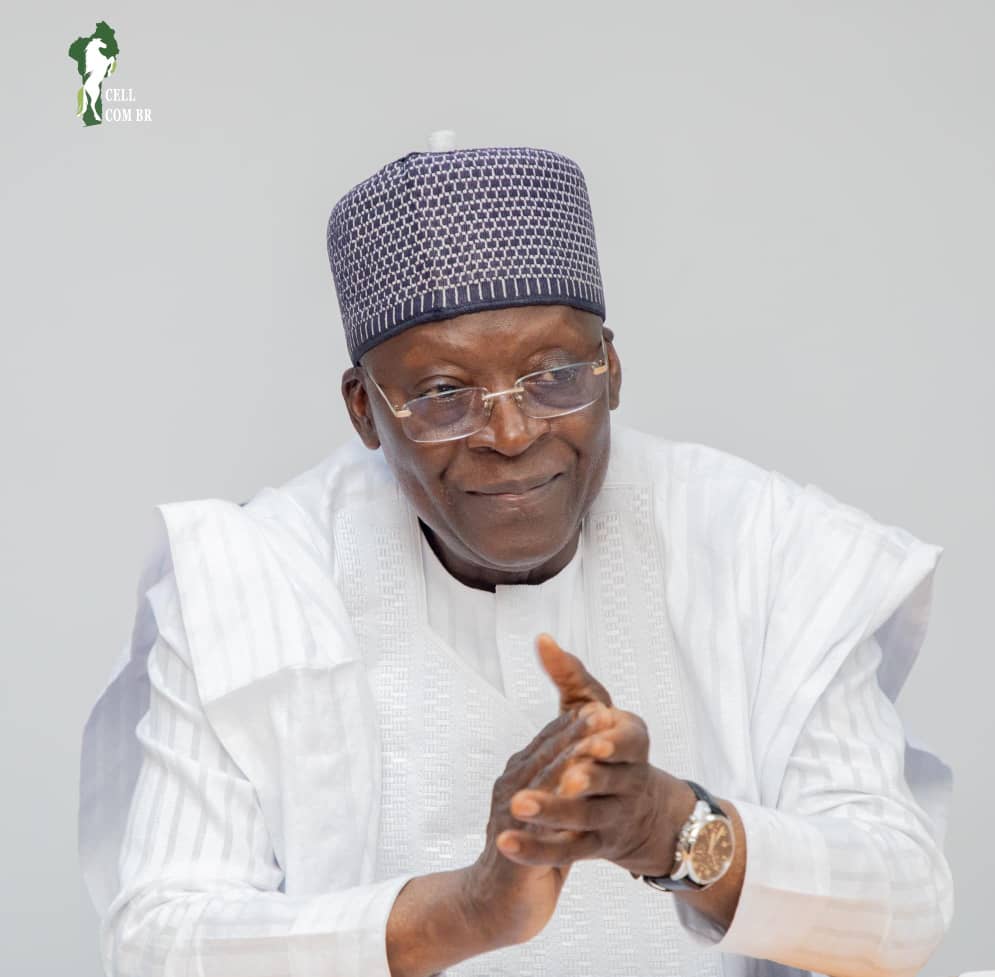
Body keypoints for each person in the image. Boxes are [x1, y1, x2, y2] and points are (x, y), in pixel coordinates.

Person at [79, 139, 953, 977]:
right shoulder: (246, 576)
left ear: (611, 368)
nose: (510, 432)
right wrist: (465, 911)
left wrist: (667, 825)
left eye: (554, 375)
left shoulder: (766, 543)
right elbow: (158, 943)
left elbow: (904, 908)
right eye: (442, 393)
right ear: (363, 409)